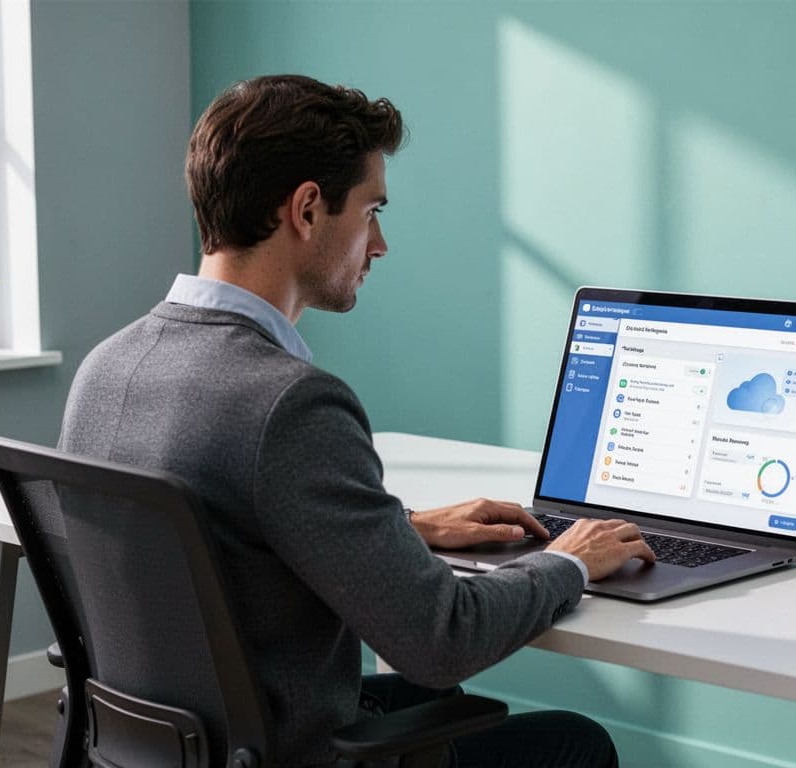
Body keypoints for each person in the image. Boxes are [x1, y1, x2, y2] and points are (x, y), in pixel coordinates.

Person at [58, 74, 655, 767]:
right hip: (288, 750)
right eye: (371, 211)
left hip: (177, 746)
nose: (380, 244)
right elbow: (442, 639)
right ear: (308, 209)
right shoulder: (291, 404)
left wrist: (403, 527)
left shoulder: (104, 368)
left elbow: (230, 529)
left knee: (431, 701)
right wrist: (568, 561)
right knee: (576, 742)